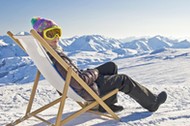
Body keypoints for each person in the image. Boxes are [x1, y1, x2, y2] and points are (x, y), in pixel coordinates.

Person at [31, 17, 167, 113]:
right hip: (86, 89)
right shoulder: (57, 57)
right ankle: (152, 103)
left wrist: (89, 72)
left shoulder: (46, 53)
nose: (56, 37)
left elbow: (71, 76)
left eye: (57, 32)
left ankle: (106, 104)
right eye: (50, 34)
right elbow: (79, 82)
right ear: (41, 37)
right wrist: (94, 72)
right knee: (123, 79)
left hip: (78, 85)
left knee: (111, 66)